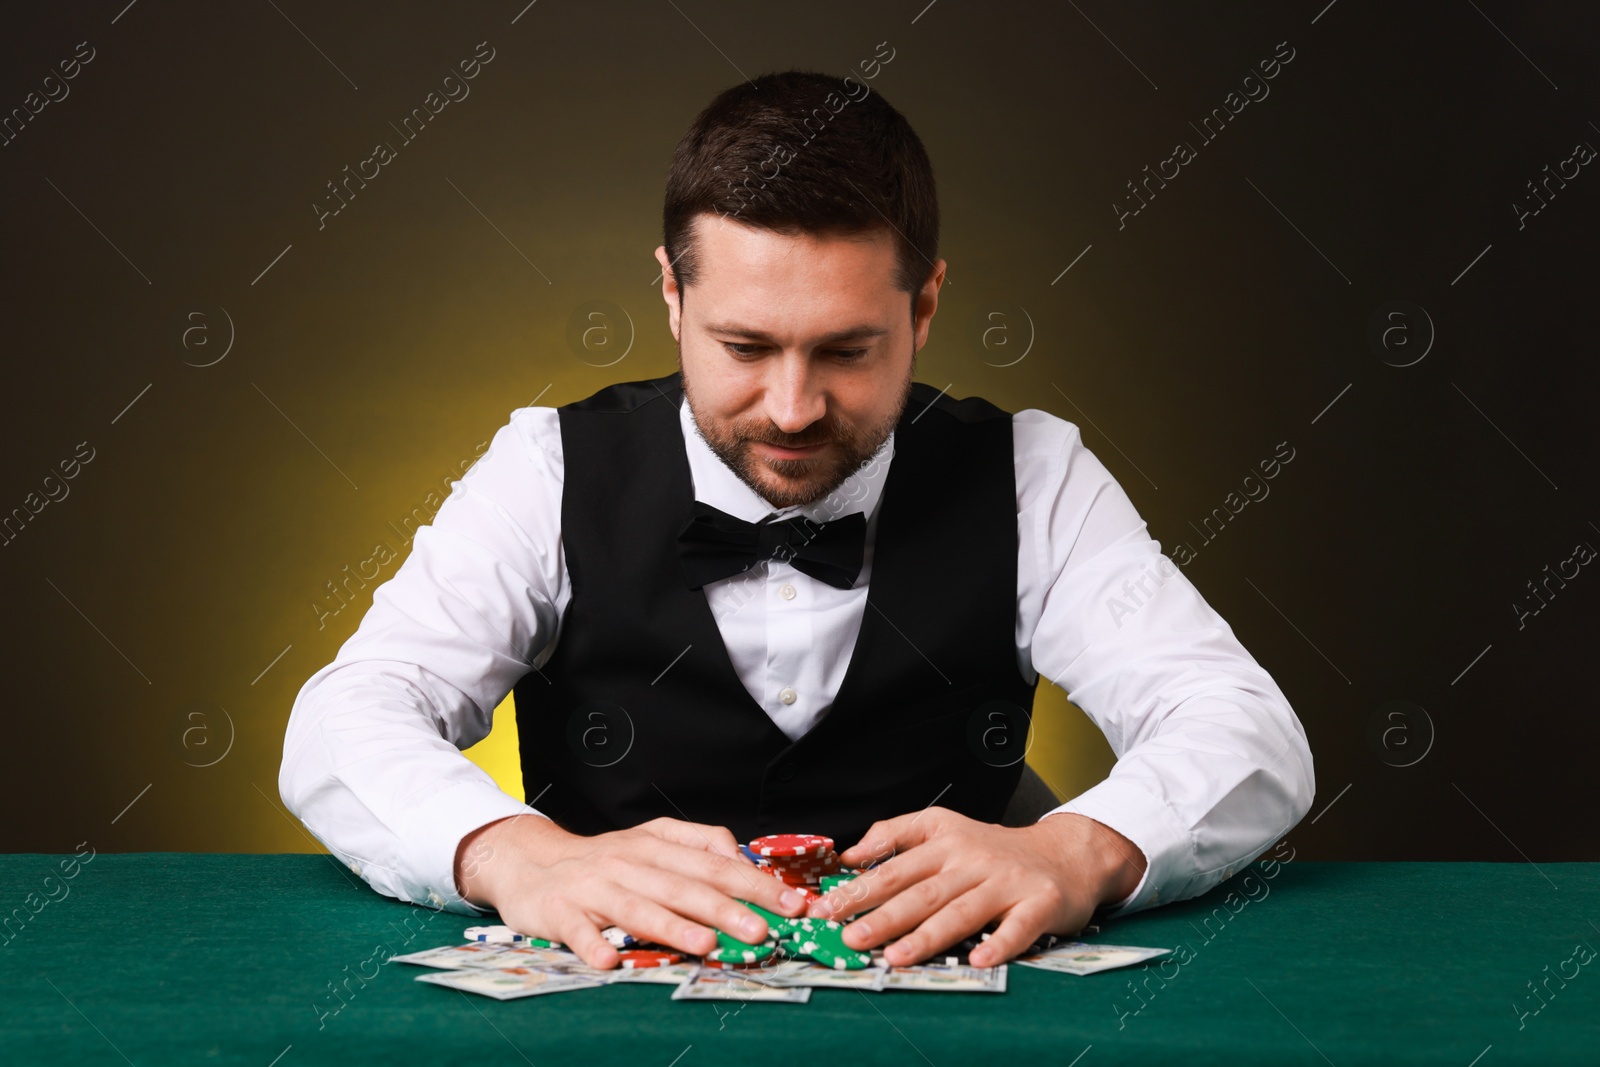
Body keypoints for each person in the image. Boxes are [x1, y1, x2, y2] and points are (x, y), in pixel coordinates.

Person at [279, 69, 1315, 971]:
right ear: (673, 296)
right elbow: (346, 716)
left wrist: (1073, 847)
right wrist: (518, 854)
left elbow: (1242, 725)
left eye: (846, 351)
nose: (791, 408)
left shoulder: (1029, 471)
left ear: (925, 308)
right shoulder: (546, 465)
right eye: (743, 345)